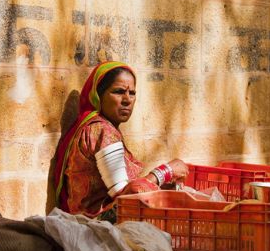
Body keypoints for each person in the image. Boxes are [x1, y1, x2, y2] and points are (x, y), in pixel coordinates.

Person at [53, 61, 189, 220]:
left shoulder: (97, 127)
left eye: (132, 93)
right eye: (118, 92)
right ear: (98, 95)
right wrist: (165, 172)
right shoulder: (102, 131)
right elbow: (127, 197)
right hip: (94, 225)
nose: (127, 100)